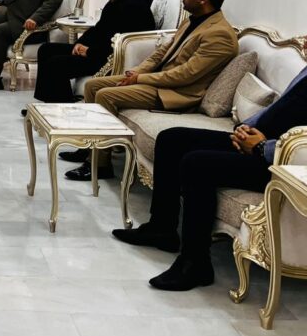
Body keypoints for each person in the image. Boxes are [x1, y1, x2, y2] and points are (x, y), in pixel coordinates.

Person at [112, 66, 307, 291]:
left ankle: (195, 263)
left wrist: (263, 147)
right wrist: (245, 127)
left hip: (285, 164)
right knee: (171, 140)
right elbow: (279, 108)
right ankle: (161, 228)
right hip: (258, 143)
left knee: (197, 164)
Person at [75, 0, 238, 181]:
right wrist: (138, 71)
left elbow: (185, 75)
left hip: (178, 93)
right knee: (93, 85)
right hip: (159, 80)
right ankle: (90, 145)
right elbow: (161, 53)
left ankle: (99, 164)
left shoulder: (220, 34)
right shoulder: (193, 21)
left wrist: (139, 79)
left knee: (105, 95)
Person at [33, 0, 154, 104]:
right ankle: (46, 102)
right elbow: (98, 29)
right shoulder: (115, 2)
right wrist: (80, 43)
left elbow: (118, 44)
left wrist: (89, 51)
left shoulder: (134, 8)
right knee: (46, 50)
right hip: (96, 51)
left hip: (106, 59)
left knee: (56, 64)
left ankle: (65, 106)